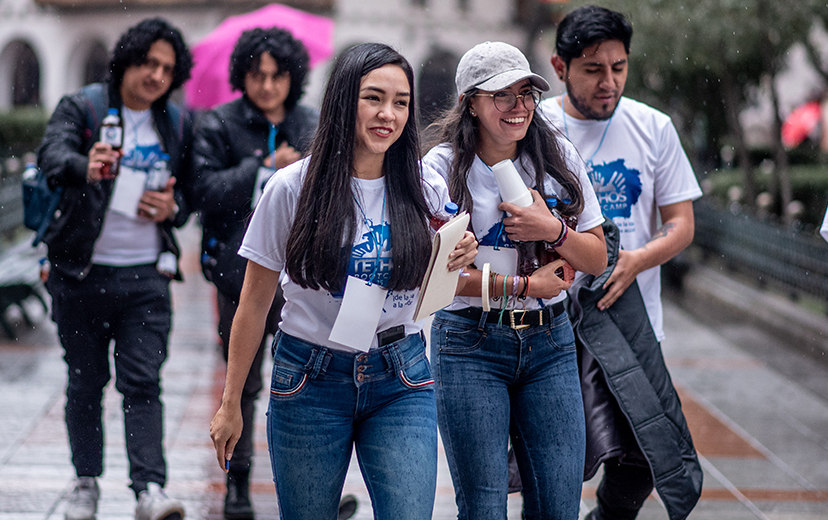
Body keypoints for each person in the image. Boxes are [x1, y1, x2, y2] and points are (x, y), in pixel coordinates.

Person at [209, 42, 478, 520]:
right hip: (309, 378)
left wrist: (462, 254)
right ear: (342, 100)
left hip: (402, 375)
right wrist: (231, 404)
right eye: (373, 97)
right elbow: (253, 302)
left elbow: (454, 262)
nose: (388, 114)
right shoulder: (292, 187)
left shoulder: (424, 187)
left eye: (400, 102)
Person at [423, 41, 607, 520]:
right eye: (502, 95)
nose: (518, 107)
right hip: (469, 343)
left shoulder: (557, 155)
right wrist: (525, 287)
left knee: (557, 506)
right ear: (471, 104)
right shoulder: (440, 169)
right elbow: (433, 280)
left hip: (550, 342)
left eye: (526, 94)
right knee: (483, 508)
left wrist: (552, 230)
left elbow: (597, 256)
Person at [539, 5, 704, 520]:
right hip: (551, 319)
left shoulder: (653, 127)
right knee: (553, 456)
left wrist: (636, 259)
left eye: (619, 67)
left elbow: (682, 222)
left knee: (642, 455)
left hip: (631, 318)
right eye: (593, 70)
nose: (609, 82)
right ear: (560, 67)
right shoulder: (534, 126)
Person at [37, 17, 194, 520]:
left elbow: (193, 191)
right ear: (127, 60)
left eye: (167, 69)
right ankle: (86, 484)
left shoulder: (177, 122)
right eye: (148, 62)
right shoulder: (84, 107)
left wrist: (174, 209)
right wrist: (84, 162)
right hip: (80, 273)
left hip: (145, 277)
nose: (156, 76)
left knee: (143, 382)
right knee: (85, 383)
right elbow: (50, 155)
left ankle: (149, 489)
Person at [189, 27, 320, 520]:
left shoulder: (311, 124)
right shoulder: (220, 124)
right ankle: (236, 486)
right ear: (242, 75)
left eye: (277, 75)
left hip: (305, 276)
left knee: (307, 382)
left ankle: (313, 486)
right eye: (257, 75)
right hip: (235, 274)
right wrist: (264, 169)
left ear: (293, 77)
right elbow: (203, 191)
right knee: (240, 383)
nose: (267, 85)